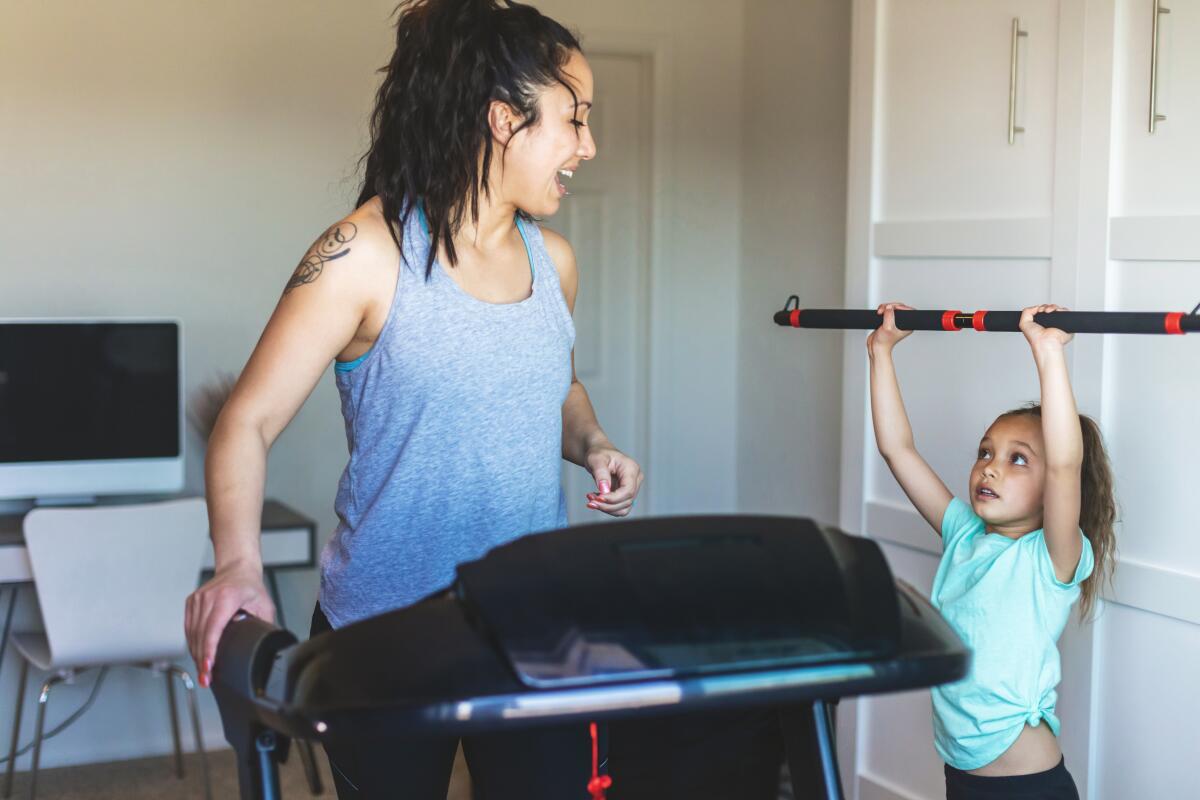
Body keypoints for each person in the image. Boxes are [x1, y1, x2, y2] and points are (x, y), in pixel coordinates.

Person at [184, 0, 643, 796]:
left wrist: (594, 442)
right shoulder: (364, 254)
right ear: (504, 119)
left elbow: (555, 382)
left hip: (531, 625)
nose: (588, 147)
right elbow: (246, 419)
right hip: (384, 636)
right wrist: (237, 565)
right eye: (575, 121)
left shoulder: (555, 260)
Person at [866, 302, 1116, 799]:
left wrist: (1047, 353)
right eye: (985, 452)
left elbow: (1066, 464)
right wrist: (880, 352)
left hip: (1027, 786)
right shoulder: (964, 533)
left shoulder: (1050, 558)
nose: (990, 468)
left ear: (1053, 491)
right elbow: (898, 450)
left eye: (1017, 459)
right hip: (960, 773)